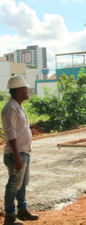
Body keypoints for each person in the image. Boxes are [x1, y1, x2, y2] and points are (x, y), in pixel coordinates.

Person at [1, 75, 39, 225]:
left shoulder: (17, 106)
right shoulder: (10, 109)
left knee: (22, 184)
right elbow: (10, 133)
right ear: (19, 91)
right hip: (16, 153)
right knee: (13, 185)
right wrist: (16, 156)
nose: (27, 91)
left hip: (23, 152)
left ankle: (22, 210)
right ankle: (10, 216)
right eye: (25, 88)